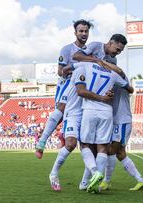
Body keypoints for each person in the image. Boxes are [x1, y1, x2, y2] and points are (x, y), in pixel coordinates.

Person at [74, 34, 143, 191]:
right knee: (115, 151)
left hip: (121, 119)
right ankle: (136, 180)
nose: (117, 53)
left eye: (120, 51)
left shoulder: (115, 72)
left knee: (110, 150)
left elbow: (127, 84)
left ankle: (102, 181)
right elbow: (77, 56)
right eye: (117, 49)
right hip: (111, 116)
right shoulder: (101, 64)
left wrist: (103, 64)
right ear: (110, 43)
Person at [49, 61, 114, 191]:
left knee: (92, 148)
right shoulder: (80, 69)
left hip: (88, 113)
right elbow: (77, 90)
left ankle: (85, 182)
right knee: (71, 144)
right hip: (74, 114)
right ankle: (53, 173)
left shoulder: (96, 73)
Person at [35, 19, 93, 159]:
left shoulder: (90, 50)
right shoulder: (67, 49)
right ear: (75, 33)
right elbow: (60, 72)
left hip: (82, 85)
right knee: (61, 109)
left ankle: (63, 134)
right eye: (81, 31)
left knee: (79, 113)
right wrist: (74, 68)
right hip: (67, 84)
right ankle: (42, 141)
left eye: (86, 31)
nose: (84, 33)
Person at [75, 61, 134, 193]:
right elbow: (130, 89)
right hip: (107, 112)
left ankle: (95, 172)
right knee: (102, 147)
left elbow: (69, 69)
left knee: (85, 145)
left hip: (90, 109)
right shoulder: (113, 74)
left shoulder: (87, 66)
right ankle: (94, 184)